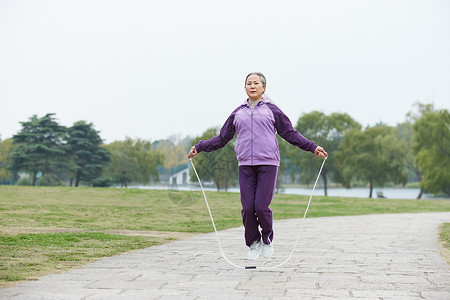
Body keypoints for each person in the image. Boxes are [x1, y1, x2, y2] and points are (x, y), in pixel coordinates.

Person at [188, 72, 327, 260]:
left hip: (268, 163)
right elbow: (222, 138)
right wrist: (200, 146)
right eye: (248, 83)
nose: (252, 86)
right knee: (247, 208)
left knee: (261, 206)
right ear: (245, 88)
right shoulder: (238, 113)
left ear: (264, 87)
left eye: (256, 83)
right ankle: (253, 243)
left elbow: (290, 133)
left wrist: (312, 147)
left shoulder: (273, 110)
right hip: (245, 165)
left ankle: (267, 239)